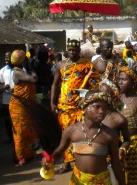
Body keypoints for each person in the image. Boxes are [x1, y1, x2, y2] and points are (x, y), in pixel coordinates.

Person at [42, 90, 125, 185]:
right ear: (85, 108)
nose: (102, 111)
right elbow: (59, 151)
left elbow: (116, 164)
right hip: (77, 181)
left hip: (101, 181)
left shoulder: (109, 135)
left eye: (105, 108)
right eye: (97, 107)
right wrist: (49, 159)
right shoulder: (72, 131)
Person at [50, 39, 101, 174]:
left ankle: (81, 162)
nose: (72, 52)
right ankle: (67, 163)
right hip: (64, 107)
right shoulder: (60, 65)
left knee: (81, 133)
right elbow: (55, 84)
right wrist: (52, 102)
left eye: (75, 50)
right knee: (65, 134)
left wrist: (84, 97)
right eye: (70, 50)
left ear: (79, 50)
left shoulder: (87, 65)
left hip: (81, 106)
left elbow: (95, 84)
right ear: (67, 50)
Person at [9, 49, 38, 166]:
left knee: (27, 130)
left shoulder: (20, 71)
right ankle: (20, 157)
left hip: (25, 105)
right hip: (18, 107)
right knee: (20, 132)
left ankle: (28, 153)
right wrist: (32, 69)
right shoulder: (17, 72)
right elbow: (34, 79)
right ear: (22, 60)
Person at [0, 51, 14, 141]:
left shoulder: (19, 69)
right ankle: (10, 137)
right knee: (7, 119)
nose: (6, 59)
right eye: (5, 57)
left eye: (8, 57)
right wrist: (3, 87)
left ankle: (17, 137)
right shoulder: (3, 70)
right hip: (6, 99)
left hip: (17, 98)